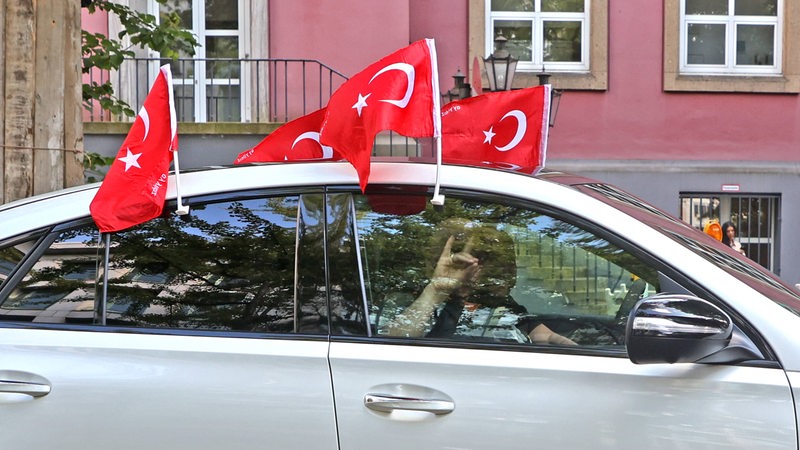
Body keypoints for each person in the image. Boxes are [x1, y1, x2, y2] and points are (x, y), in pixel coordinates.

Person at [387, 219, 575, 345]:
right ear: (468, 265)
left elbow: (543, 335)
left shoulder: (503, 306)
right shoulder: (413, 301)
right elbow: (395, 343)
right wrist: (435, 291)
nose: (510, 274)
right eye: (498, 264)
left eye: (510, 264)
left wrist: (564, 345)